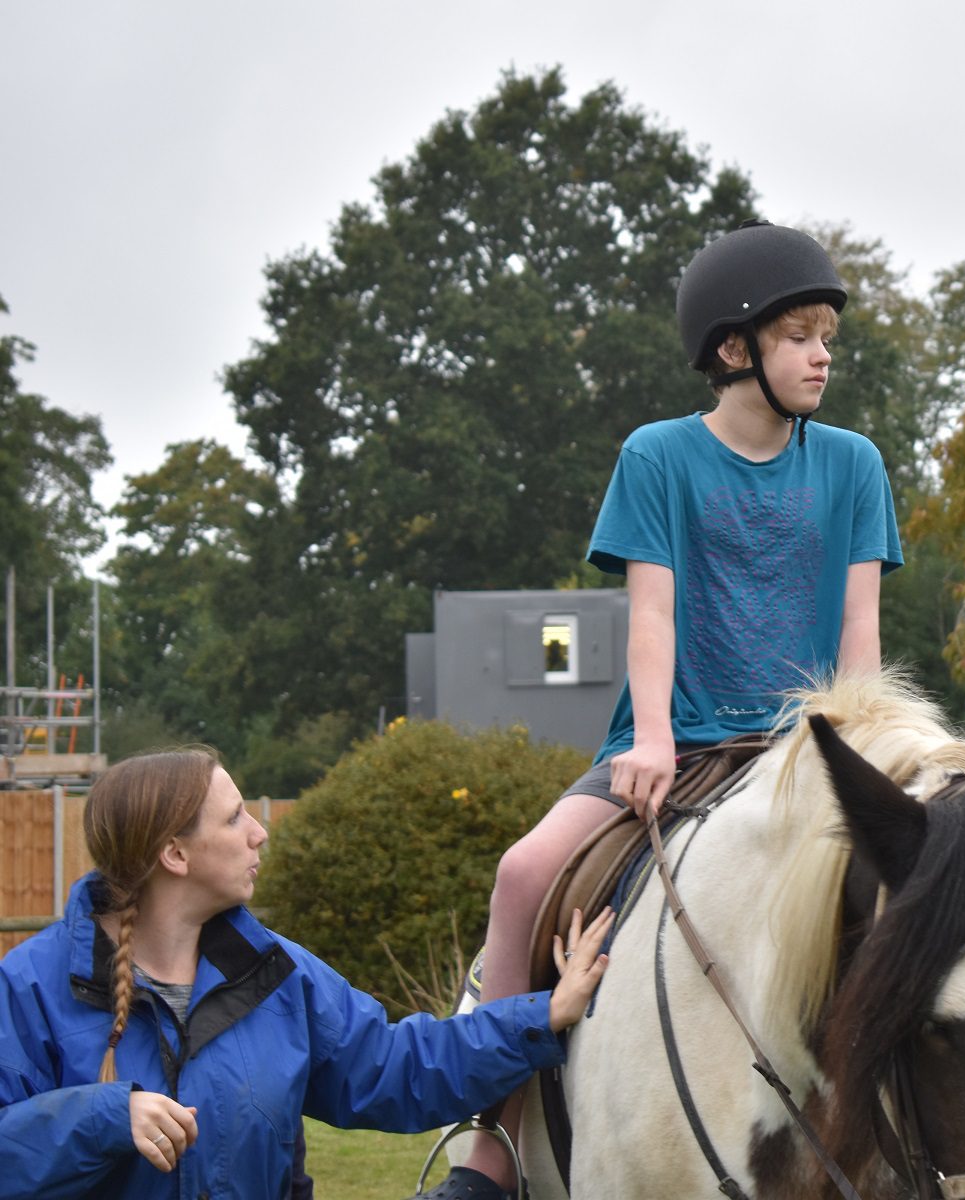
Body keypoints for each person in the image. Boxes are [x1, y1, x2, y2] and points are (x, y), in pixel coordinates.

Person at [453, 219, 905, 1199]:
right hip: (679, 746)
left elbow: (860, 634)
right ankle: (490, 1131)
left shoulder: (854, 465)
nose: (824, 353)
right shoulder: (658, 458)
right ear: (736, 348)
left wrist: (866, 757)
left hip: (807, 755)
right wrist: (652, 737)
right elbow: (650, 615)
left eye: (828, 334)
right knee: (523, 871)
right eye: (800, 335)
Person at [0, 748, 612, 1200]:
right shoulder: (31, 986)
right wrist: (107, 1117)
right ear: (176, 854)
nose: (259, 832)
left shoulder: (277, 973)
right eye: (236, 817)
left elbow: (397, 1067)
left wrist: (543, 1015)